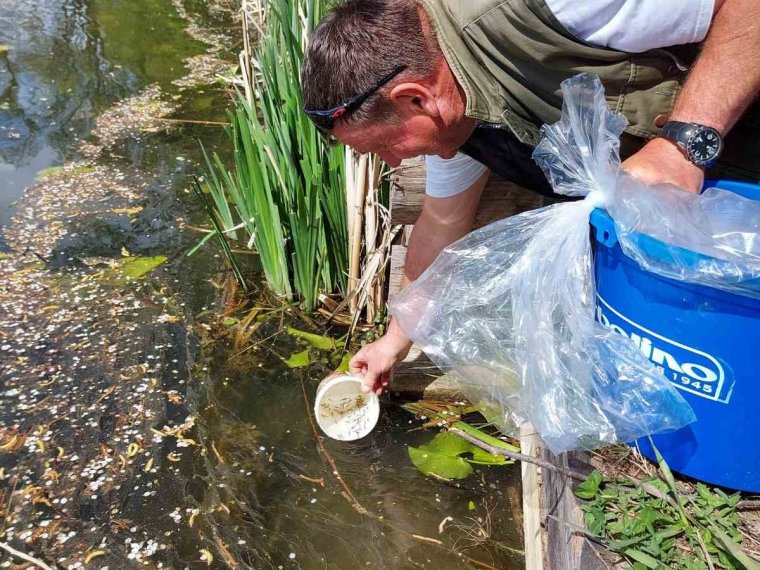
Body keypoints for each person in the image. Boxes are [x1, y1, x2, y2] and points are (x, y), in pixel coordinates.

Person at [300, 0, 760, 396]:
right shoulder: (458, 119)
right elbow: (442, 223)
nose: (395, 164)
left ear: (416, 99)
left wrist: (682, 146)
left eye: (384, 146)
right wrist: (393, 340)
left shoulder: (550, 7)